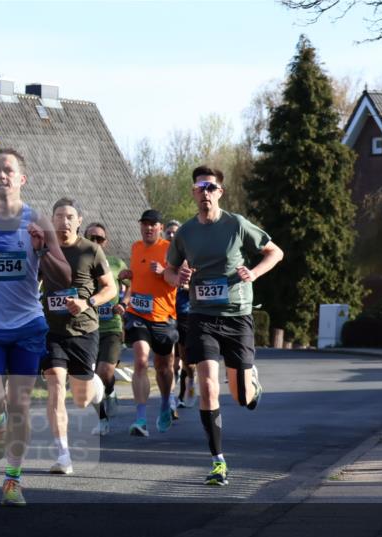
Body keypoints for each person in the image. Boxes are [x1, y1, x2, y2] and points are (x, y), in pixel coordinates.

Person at [0, 148, 70, 506]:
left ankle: (12, 479)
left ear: (21, 178)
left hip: (27, 325)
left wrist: (42, 250)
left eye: (8, 170)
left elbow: (64, 276)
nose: (1, 175)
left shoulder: (37, 220)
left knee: (20, 404)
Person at [165, 165, 283, 486]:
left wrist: (253, 273)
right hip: (201, 316)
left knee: (243, 398)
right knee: (207, 385)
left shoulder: (237, 224)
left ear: (220, 192)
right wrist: (178, 278)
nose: (205, 193)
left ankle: (250, 381)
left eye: (210, 187)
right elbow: (169, 271)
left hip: (237, 314)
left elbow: (275, 252)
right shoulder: (185, 233)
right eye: (200, 188)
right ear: (193, 193)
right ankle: (218, 460)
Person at [40, 200, 115, 474]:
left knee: (82, 399)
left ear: (79, 220)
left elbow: (110, 288)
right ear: (52, 219)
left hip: (84, 330)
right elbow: (31, 281)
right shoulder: (45, 250)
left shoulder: (90, 250)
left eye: (70, 216)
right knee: (56, 386)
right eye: (59, 216)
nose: (65, 221)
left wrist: (88, 302)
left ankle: (97, 387)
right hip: (52, 331)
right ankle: (63, 455)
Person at [118, 209, 179, 437]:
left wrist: (164, 271)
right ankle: (141, 419)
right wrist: (128, 274)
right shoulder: (135, 247)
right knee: (141, 361)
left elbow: (180, 279)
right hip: (138, 314)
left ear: (160, 227)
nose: (148, 228)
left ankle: (165, 402)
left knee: (164, 368)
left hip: (164, 317)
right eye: (145, 224)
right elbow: (138, 276)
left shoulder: (170, 248)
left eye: (153, 224)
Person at [84, 223, 127, 436]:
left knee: (104, 372)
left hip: (111, 327)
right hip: (86, 327)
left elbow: (134, 282)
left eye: (99, 239)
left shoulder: (116, 263)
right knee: (90, 377)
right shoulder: (78, 262)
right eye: (91, 238)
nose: (95, 242)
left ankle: (109, 390)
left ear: (105, 242)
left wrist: (124, 303)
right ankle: (101, 418)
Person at [166, 221, 196, 408]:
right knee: (171, 362)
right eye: (168, 232)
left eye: (175, 233)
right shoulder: (163, 257)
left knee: (187, 361)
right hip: (166, 313)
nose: (171, 236)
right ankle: (171, 399)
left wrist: (183, 284)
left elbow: (198, 284)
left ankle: (189, 383)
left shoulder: (190, 257)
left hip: (185, 312)